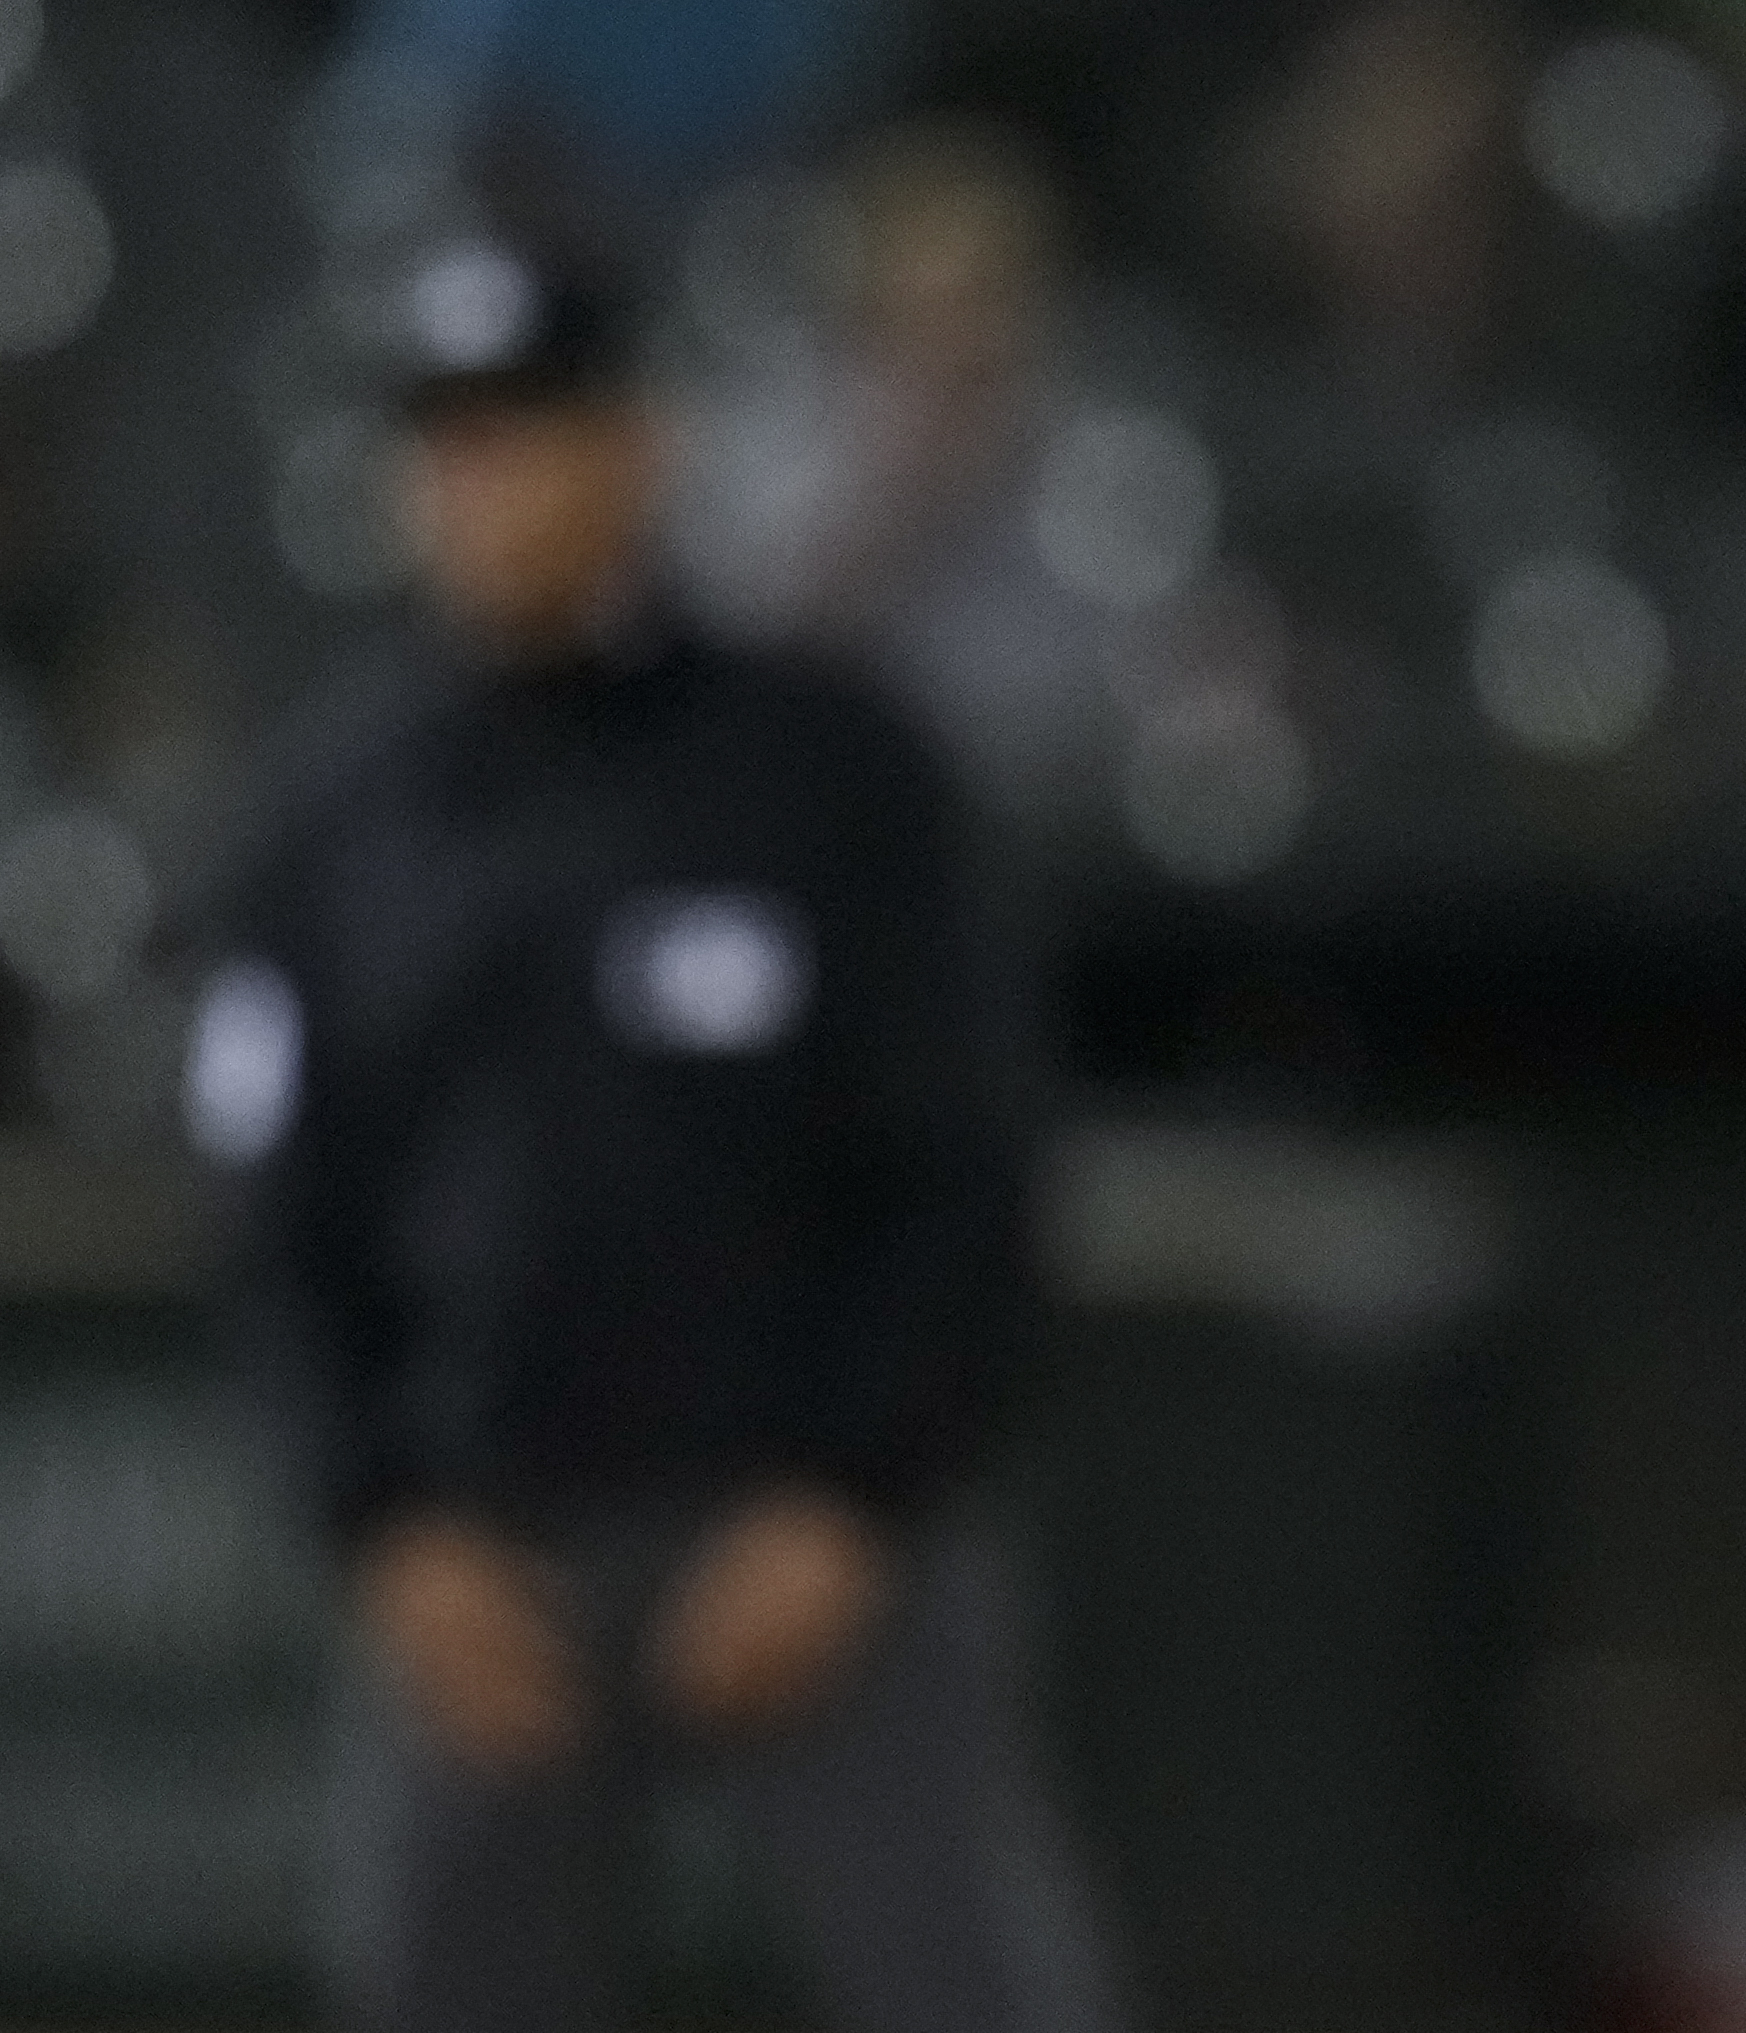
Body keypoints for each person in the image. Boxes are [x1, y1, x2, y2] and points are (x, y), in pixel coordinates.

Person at [185, 239, 1119, 2033]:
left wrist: (852, 1492)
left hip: (813, 1527)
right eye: (444, 443)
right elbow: (273, 1217)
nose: (482, 485)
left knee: (970, 1987)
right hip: (492, 1553)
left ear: (638, 445)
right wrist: (380, 1519)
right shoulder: (336, 814)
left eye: (525, 430)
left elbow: (968, 1161)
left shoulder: (826, 765)